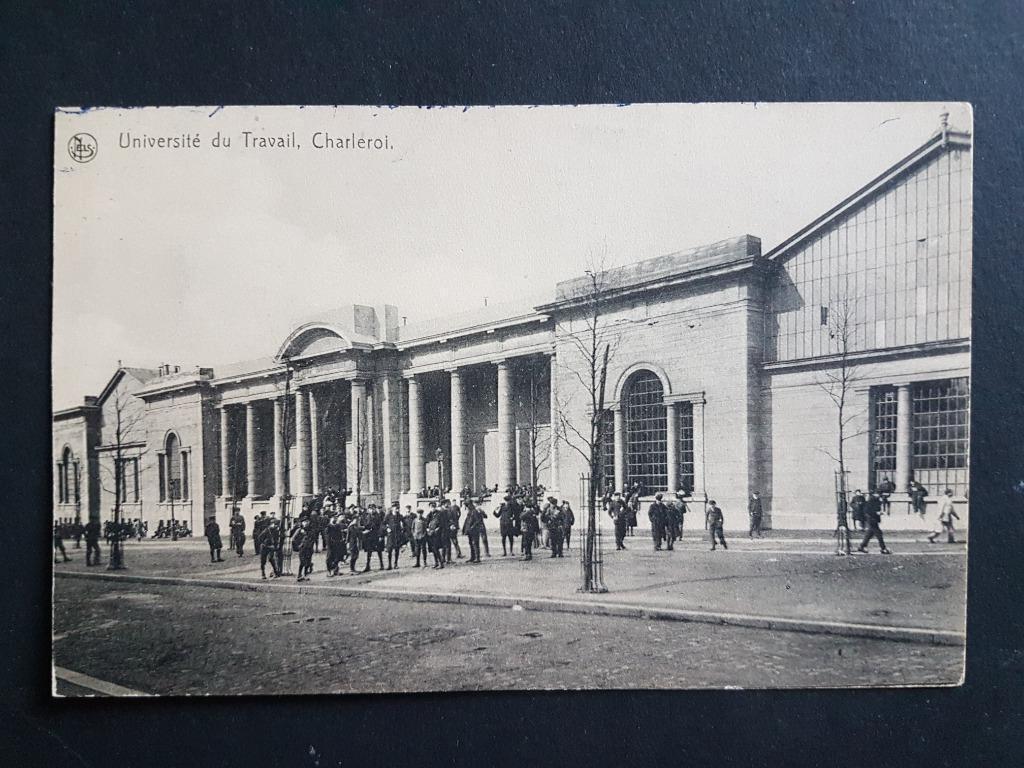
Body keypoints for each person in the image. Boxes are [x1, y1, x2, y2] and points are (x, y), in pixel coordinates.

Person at [384, 503, 404, 570]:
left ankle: (395, 564)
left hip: (397, 535)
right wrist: (387, 529)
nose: (397, 509)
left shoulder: (400, 516)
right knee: (389, 550)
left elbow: (404, 524)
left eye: (398, 508)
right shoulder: (388, 516)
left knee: (397, 550)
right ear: (392, 508)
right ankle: (389, 564)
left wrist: (402, 530)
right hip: (390, 535)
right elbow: (383, 524)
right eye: (395, 508)